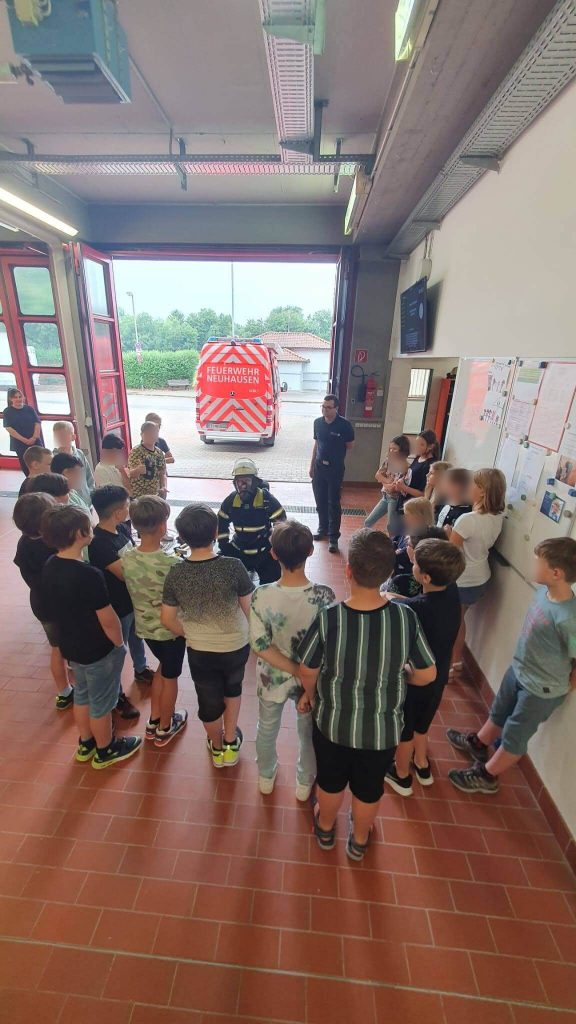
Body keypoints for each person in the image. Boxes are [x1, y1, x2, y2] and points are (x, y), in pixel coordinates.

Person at [298, 529, 436, 861]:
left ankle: (327, 827)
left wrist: (311, 695)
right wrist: (405, 675)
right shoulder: (405, 618)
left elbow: (308, 668)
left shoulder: (330, 617)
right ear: (389, 573)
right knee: (368, 788)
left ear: (349, 571)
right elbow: (428, 673)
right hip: (382, 730)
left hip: (333, 724)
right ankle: (359, 839)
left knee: (330, 783)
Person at [447, 537, 576, 794]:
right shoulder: (543, 591)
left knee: (516, 734)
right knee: (500, 709)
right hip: (519, 669)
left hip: (541, 689)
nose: (533, 565)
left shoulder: (569, 618)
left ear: (556, 573)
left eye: (539, 563)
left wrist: (568, 685)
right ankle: (479, 743)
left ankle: (487, 775)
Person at [40, 504, 142, 770]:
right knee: (103, 702)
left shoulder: (50, 565)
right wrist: (119, 644)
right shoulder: (89, 575)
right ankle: (106, 749)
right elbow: (107, 618)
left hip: (71, 646)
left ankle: (86, 742)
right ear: (79, 533)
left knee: (82, 695)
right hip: (98, 649)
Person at [162, 504, 254, 768]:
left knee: (208, 699)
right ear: (216, 532)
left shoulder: (176, 573)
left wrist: (190, 633)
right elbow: (250, 610)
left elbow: (167, 619)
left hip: (200, 650)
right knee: (232, 690)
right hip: (236, 645)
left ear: (181, 537)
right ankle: (230, 742)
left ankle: (216, 748)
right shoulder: (234, 566)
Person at [249, 520, 335, 800]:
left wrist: (291, 668)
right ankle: (303, 781)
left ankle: (266, 774)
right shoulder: (324, 596)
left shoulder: (262, 595)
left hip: (270, 677)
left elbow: (259, 644)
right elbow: (328, 644)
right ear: (311, 551)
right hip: (311, 682)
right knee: (307, 732)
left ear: (273, 554)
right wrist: (302, 672)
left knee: (267, 727)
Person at [384, 538, 465, 795]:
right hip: (439, 675)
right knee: (423, 723)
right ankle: (422, 765)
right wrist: (396, 597)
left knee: (405, 729)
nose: (412, 565)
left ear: (426, 577)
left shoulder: (417, 609)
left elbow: (402, 608)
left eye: (415, 564)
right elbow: (411, 602)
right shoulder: (451, 591)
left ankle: (402, 775)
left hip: (418, 677)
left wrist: (388, 598)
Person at [122, 495, 187, 747]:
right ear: (163, 526)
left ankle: (154, 719)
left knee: (163, 669)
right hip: (171, 631)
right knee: (171, 677)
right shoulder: (172, 563)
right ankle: (166, 726)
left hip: (146, 629)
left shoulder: (127, 556)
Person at [88, 485, 154, 713]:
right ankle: (116, 696)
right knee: (118, 650)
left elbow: (135, 556)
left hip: (132, 601)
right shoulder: (99, 544)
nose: (129, 508)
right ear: (117, 511)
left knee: (137, 637)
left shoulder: (122, 530)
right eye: (127, 505)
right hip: (117, 606)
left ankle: (141, 668)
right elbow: (127, 574)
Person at [13, 492, 74, 710]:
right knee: (71, 642)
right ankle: (77, 673)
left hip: (40, 604)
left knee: (56, 648)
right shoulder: (53, 545)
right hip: (63, 605)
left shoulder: (23, 544)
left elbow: (28, 576)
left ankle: (63, 692)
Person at [448, 468, 506, 668]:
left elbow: (450, 552)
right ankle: (454, 660)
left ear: (482, 491)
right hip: (481, 576)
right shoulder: (497, 515)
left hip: (463, 579)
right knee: (459, 619)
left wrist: (448, 532)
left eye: (474, 484)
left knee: (454, 623)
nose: (469, 487)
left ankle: (453, 662)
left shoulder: (469, 520)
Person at [217, 459, 286, 584]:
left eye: (246, 482)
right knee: (229, 584)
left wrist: (276, 547)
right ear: (234, 483)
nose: (242, 486)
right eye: (239, 482)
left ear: (254, 482)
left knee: (271, 584)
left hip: (264, 551)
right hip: (239, 550)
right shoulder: (231, 500)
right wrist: (224, 546)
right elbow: (221, 522)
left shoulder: (266, 500)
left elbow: (281, 524)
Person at [310, 394, 355, 554]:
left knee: (333, 503)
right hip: (319, 468)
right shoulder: (317, 423)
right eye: (323, 406)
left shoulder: (344, 425)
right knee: (320, 501)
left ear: (336, 408)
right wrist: (311, 466)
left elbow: (349, 446)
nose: (325, 410)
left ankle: (333, 537)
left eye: (328, 407)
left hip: (335, 469)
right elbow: (316, 444)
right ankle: (322, 528)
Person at [392, 429, 440, 536]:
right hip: (403, 501)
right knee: (396, 532)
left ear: (430, 446)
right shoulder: (418, 458)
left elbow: (424, 494)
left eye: (421, 444)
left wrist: (404, 488)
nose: (417, 447)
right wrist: (401, 481)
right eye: (417, 444)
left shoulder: (429, 465)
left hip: (414, 507)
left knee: (404, 535)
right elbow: (410, 476)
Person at [386, 525, 449, 599]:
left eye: (408, 545)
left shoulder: (401, 582)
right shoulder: (450, 580)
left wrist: (386, 595)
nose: (405, 548)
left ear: (418, 551)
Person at [365, 435, 411, 533]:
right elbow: (377, 475)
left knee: (391, 527)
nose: (391, 451)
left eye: (394, 449)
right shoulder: (388, 460)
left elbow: (394, 488)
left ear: (402, 449)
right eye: (390, 448)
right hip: (385, 497)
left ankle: (392, 545)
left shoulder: (405, 466)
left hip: (394, 499)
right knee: (368, 522)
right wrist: (387, 481)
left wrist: (384, 481)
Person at [52, 421, 94, 507]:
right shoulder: (54, 458)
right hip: (70, 502)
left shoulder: (79, 453)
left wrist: (91, 492)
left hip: (86, 498)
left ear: (73, 437)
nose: (60, 439)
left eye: (63, 435)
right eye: (57, 436)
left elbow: (88, 475)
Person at [3, 387, 43, 474]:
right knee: (25, 463)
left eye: (20, 397)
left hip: (35, 440)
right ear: (11, 399)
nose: (18, 399)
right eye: (15, 397)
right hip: (19, 442)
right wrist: (24, 440)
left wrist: (34, 437)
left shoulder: (29, 409)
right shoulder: (7, 411)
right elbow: (9, 429)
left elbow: (37, 423)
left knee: (41, 459)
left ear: (23, 397)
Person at [392, 496, 435, 576]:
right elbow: (395, 540)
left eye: (407, 515)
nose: (404, 518)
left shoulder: (423, 537)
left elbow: (403, 557)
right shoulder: (407, 528)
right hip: (397, 570)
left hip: (408, 575)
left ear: (419, 517)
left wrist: (394, 553)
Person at [128, 421, 167, 499]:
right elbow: (130, 474)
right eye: (148, 433)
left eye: (154, 433)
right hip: (139, 497)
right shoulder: (136, 451)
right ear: (142, 435)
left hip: (155, 495)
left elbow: (162, 473)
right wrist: (138, 470)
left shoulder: (159, 452)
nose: (152, 436)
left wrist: (163, 487)